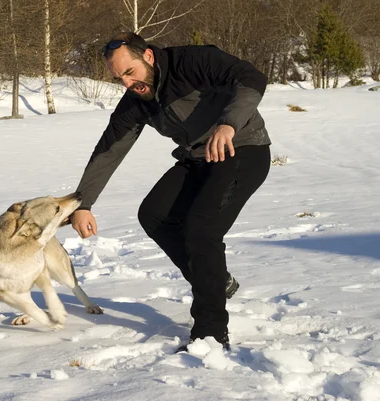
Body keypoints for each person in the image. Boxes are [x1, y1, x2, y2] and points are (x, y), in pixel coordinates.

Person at [70, 32, 271, 351]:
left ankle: (210, 335)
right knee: (155, 214)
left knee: (202, 229)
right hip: (198, 158)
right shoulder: (136, 101)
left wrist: (229, 122)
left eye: (129, 72)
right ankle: (216, 281)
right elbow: (108, 151)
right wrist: (82, 203)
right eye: (118, 77)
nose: (125, 83)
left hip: (242, 148)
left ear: (148, 56)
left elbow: (250, 77)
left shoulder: (192, 62)